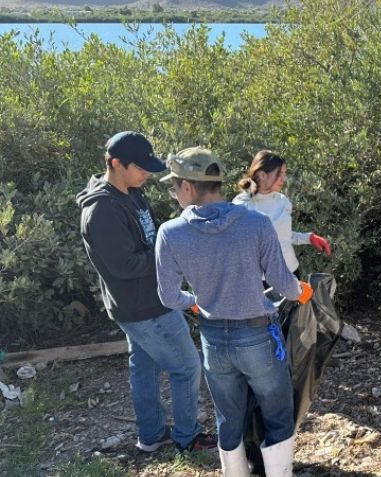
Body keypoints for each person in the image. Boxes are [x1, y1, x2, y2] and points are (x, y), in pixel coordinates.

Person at [155, 146, 311, 477]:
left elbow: (169, 297)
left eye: (174, 186)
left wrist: (194, 302)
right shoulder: (255, 223)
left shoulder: (170, 233)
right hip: (257, 335)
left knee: (229, 418)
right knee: (277, 414)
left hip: (214, 340)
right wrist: (302, 291)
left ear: (187, 187)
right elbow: (284, 284)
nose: (173, 193)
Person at [76, 132, 216, 453]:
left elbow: (154, 231)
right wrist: (167, 252)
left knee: (145, 368)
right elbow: (125, 265)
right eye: (141, 167)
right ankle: (188, 437)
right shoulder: (101, 212)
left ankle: (152, 435)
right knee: (187, 366)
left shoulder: (133, 191)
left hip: (146, 301)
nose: (147, 174)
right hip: (144, 307)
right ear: (116, 164)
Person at [232, 150, 331, 274]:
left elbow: (283, 236)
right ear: (262, 175)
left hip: (291, 272)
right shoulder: (242, 205)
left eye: (285, 173)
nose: (284, 178)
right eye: (279, 173)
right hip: (260, 280)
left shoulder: (282, 201)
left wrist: (308, 238)